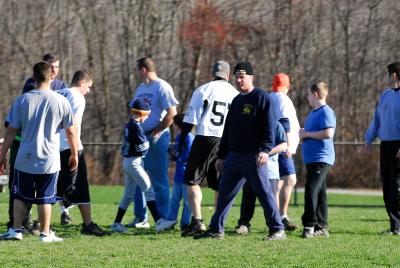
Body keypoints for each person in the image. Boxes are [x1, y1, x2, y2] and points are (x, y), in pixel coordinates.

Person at [194, 61, 286, 240]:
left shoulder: (261, 97)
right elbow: (228, 129)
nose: (239, 80)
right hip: (234, 157)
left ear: (251, 77)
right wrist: (221, 155)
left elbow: (270, 128)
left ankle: (277, 229)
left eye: (242, 77)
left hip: (253, 156)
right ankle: (216, 229)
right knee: (224, 194)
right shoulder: (236, 100)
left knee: (265, 193)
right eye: (236, 76)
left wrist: (265, 150)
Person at [0, 61, 78, 242]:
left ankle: (15, 230)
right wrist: (74, 154)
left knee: (20, 196)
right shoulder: (61, 101)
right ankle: (45, 233)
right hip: (49, 158)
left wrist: (3, 153)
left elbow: (11, 130)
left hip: (25, 156)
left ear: (33, 78)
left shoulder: (22, 100)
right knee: (46, 197)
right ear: (52, 76)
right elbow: (71, 131)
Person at [180, 60, 238, 236]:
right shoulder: (236, 94)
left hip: (206, 136)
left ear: (212, 74)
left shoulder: (204, 90)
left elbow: (190, 121)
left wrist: (181, 140)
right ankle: (217, 221)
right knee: (220, 184)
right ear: (228, 76)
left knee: (192, 180)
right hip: (227, 140)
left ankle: (197, 221)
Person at [56, 70, 107, 236]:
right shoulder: (77, 97)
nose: (89, 91)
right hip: (69, 147)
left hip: (51, 147)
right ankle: (88, 224)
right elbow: (74, 125)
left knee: (49, 186)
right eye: (89, 87)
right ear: (82, 83)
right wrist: (75, 151)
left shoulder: (58, 93)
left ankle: (33, 223)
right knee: (80, 186)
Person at [129, 57, 178, 227]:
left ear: (143, 69)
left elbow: (172, 113)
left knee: (159, 179)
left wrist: (155, 132)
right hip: (140, 137)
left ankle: (164, 218)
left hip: (157, 138)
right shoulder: (141, 88)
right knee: (138, 177)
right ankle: (141, 218)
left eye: (137, 69)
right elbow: (134, 111)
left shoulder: (161, 87)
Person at [110, 99, 162, 232]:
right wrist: (148, 143)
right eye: (147, 114)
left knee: (128, 195)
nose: (148, 117)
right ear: (141, 113)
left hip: (129, 162)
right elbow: (143, 148)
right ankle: (159, 222)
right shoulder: (135, 126)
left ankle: (116, 223)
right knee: (149, 190)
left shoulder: (130, 125)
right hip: (134, 162)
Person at [364, 62, 400, 235]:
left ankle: (398, 226)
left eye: (388, 73)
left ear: (394, 75)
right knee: (387, 185)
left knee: (397, 186)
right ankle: (395, 226)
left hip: (398, 146)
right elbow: (377, 119)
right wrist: (368, 139)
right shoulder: (386, 95)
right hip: (385, 145)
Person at [236, 121, 287, 235]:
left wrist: (267, 153)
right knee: (248, 198)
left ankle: (274, 226)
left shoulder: (276, 125)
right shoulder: (251, 122)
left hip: (270, 171)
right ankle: (244, 224)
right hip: (251, 168)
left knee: (269, 201)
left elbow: (283, 145)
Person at [299, 82, 336, 238]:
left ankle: (309, 225)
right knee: (320, 192)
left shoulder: (326, 111)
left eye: (309, 94)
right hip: (312, 159)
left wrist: (306, 134)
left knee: (311, 189)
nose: (307, 97)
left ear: (315, 94)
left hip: (322, 158)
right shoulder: (313, 113)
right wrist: (303, 134)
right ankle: (322, 226)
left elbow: (328, 133)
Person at [269, 73, 301, 231]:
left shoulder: (270, 97)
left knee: (279, 182)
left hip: (275, 145)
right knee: (290, 179)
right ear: (287, 86)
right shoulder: (282, 99)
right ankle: (281, 216)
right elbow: (284, 122)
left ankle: (277, 216)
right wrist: (288, 144)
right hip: (282, 146)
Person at [156, 114, 194, 233]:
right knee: (174, 200)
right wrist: (172, 152)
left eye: (174, 124)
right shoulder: (179, 137)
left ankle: (185, 224)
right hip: (179, 176)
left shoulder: (189, 137)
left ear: (178, 125)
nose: (173, 127)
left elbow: (187, 156)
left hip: (187, 175)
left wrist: (175, 154)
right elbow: (177, 153)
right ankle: (170, 221)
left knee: (188, 203)